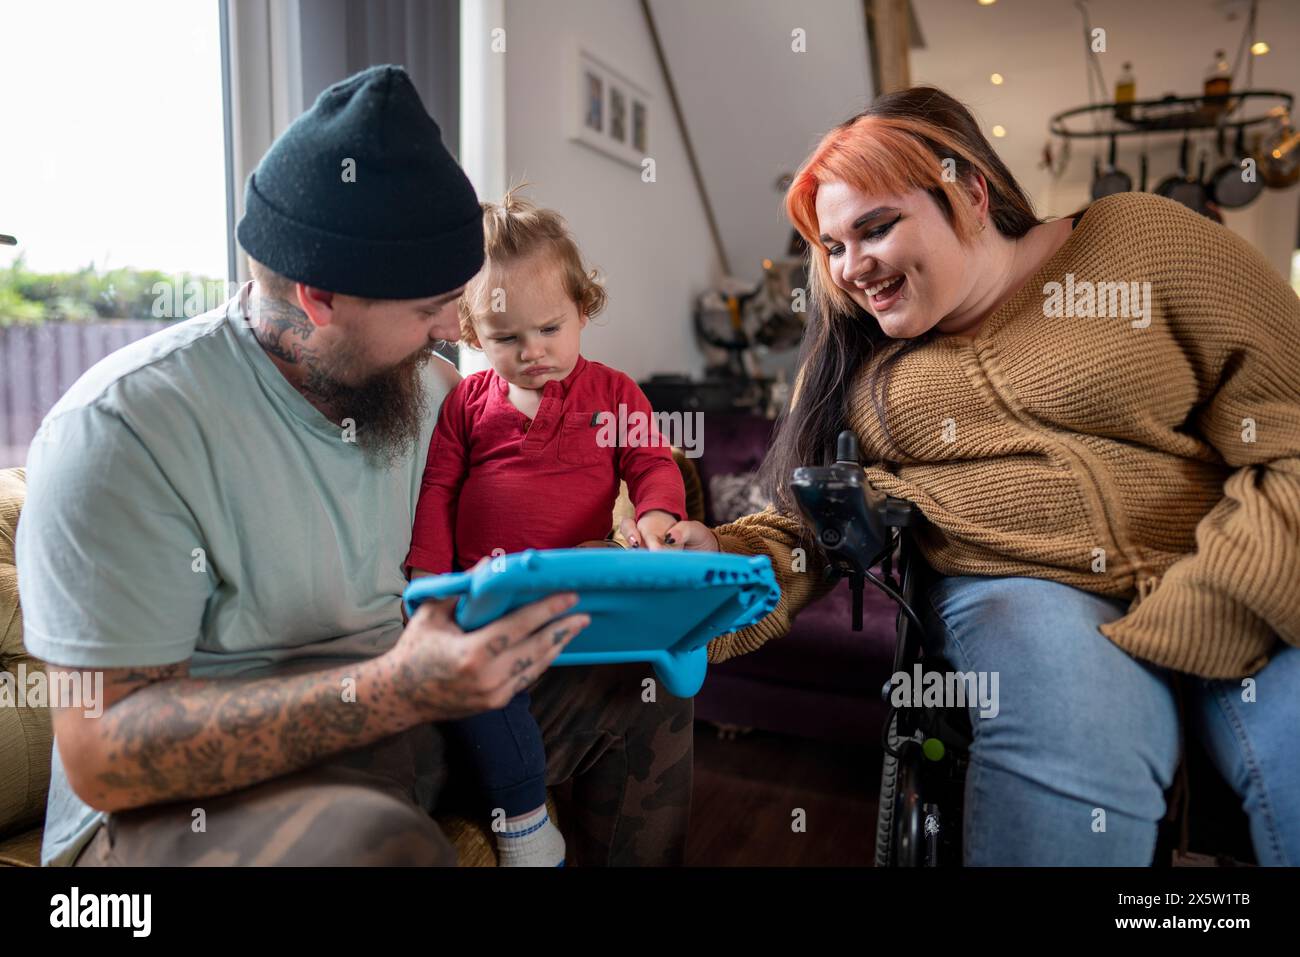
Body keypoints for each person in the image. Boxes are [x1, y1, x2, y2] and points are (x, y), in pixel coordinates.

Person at [16, 65, 692, 867]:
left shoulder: (433, 392)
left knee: (642, 692)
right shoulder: (124, 431)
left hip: (405, 716)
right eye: (429, 308)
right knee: (372, 847)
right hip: (181, 804)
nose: (455, 329)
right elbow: (108, 754)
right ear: (318, 297)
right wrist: (396, 688)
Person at [656, 86, 1300, 866]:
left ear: (968, 191)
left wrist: (1219, 599)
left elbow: (1288, 433)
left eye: (876, 227)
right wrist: (713, 565)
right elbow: (812, 528)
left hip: (1234, 559)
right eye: (831, 246)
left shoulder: (1145, 240)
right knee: (1082, 734)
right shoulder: (856, 364)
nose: (851, 267)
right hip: (1021, 587)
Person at [407, 188, 686, 866]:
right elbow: (440, 488)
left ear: (582, 311)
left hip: (578, 587)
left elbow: (651, 459)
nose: (532, 352)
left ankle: (676, 641)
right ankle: (526, 822)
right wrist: (428, 578)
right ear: (474, 336)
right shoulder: (466, 406)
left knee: (646, 652)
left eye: (549, 329)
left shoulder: (615, 392)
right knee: (485, 686)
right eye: (506, 337)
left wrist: (656, 513)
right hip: (488, 597)